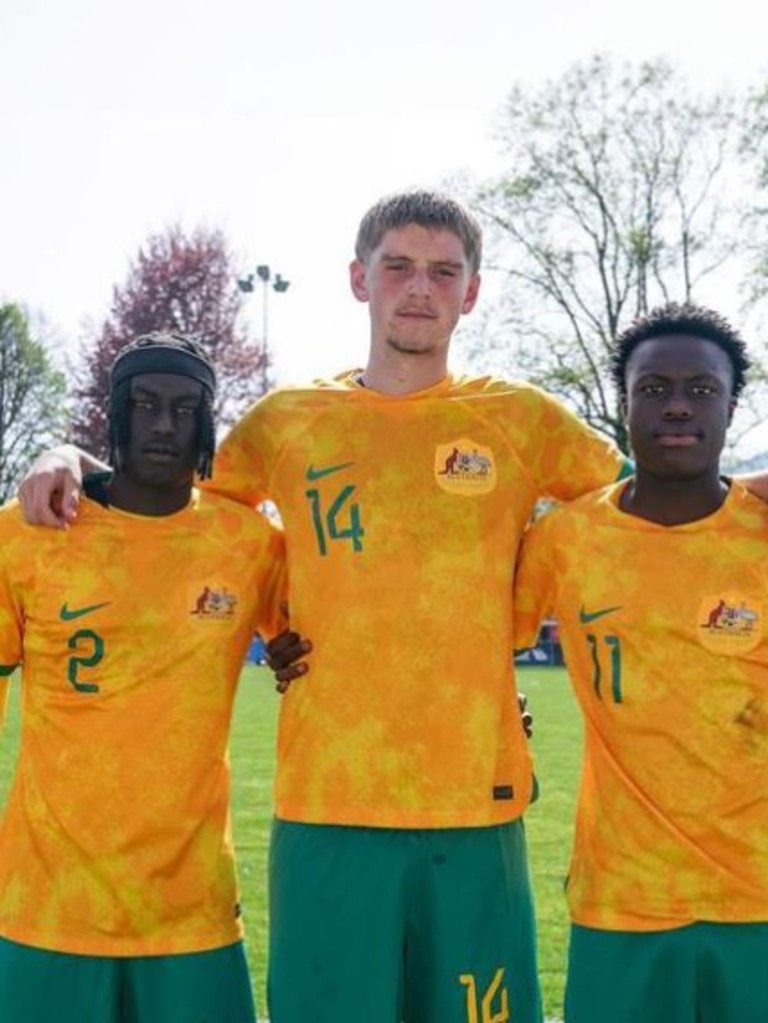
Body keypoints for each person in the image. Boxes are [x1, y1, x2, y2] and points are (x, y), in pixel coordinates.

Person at [19, 190, 635, 1023]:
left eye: (444, 271)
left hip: (474, 798)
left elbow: (648, 500)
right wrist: (66, 451)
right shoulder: (288, 422)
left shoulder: (521, 419)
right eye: (400, 267)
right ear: (359, 278)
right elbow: (166, 493)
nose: (421, 288)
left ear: (473, 291)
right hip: (324, 802)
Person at [0, 333, 288, 1023]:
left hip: (191, 907)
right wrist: (59, 451)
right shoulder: (29, 533)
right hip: (48, 903)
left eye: (186, 409)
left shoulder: (250, 545)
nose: (164, 425)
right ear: (115, 415)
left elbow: (335, 642)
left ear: (208, 422)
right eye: (145, 405)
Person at [514, 302, 768, 1023]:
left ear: (732, 405)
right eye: (653, 389)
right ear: (623, 404)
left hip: (758, 895)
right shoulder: (569, 538)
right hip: (622, 896)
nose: (679, 406)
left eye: (703, 389)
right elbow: (476, 633)